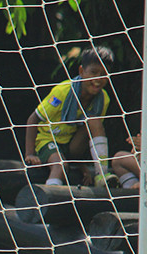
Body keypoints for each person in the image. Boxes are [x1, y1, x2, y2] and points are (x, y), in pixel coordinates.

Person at [24, 47, 115, 187]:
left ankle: (101, 174)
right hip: (48, 139)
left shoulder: (104, 99)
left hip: (71, 145)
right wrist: (30, 154)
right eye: (94, 72)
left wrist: (80, 165)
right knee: (60, 166)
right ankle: (52, 195)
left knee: (94, 122)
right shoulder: (63, 91)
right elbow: (33, 118)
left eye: (104, 74)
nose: (98, 79)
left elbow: (90, 134)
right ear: (81, 71)